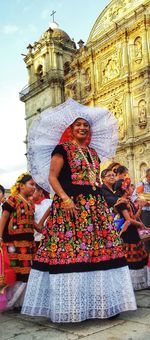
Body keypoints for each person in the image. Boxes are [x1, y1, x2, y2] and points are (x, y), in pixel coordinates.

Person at [22, 116, 136, 322]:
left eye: (85, 125)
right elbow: (52, 177)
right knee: (73, 252)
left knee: (101, 252)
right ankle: (72, 305)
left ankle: (105, 303)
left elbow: (95, 181)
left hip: (95, 209)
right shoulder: (62, 149)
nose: (82, 128)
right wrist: (65, 198)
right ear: (71, 129)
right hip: (72, 208)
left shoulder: (93, 153)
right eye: (78, 125)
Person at [0, 173, 36, 309]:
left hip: (28, 243)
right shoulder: (12, 199)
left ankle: (21, 302)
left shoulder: (30, 203)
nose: (34, 188)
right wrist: (0, 237)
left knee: (27, 272)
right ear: (21, 186)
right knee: (16, 271)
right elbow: (4, 218)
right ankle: (12, 302)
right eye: (31, 184)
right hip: (13, 243)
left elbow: (34, 224)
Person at [114, 179, 150, 290]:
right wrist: (141, 225)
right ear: (124, 190)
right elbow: (129, 220)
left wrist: (139, 207)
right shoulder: (121, 203)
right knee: (132, 257)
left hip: (133, 230)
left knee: (140, 255)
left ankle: (141, 283)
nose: (132, 189)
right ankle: (132, 284)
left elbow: (134, 217)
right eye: (130, 187)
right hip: (128, 232)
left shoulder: (128, 201)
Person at [132, 169, 150, 251]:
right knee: (146, 234)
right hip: (145, 212)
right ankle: (147, 252)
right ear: (147, 176)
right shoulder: (141, 185)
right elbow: (133, 197)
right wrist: (141, 201)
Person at [32, 184, 52, 248]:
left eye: (33, 190)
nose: (30, 192)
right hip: (35, 239)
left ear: (40, 191)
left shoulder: (50, 202)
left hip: (48, 238)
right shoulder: (28, 205)